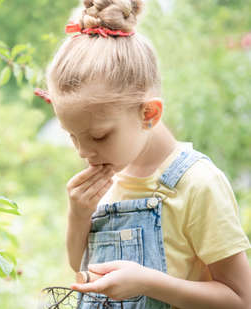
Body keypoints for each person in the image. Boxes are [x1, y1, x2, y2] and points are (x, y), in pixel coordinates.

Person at [41, 0, 251, 308]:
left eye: (99, 136)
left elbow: (240, 299)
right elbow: (80, 266)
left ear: (148, 114)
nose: (84, 152)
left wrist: (147, 283)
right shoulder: (110, 174)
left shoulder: (197, 184)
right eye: (72, 136)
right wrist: (78, 215)